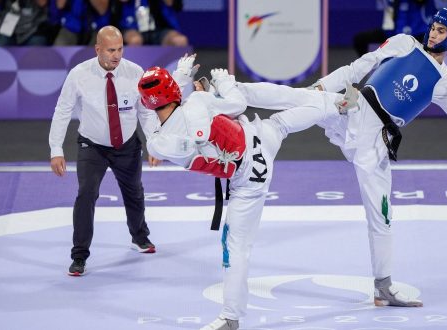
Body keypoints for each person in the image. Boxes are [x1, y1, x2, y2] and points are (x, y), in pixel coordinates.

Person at [237, 7, 447, 308]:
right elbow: (359, 66)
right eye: (433, 27)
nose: (433, 34)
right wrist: (322, 86)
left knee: (382, 218)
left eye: (441, 31)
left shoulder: (446, 82)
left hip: (377, 143)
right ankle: (232, 93)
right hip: (353, 108)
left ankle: (383, 286)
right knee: (301, 97)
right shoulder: (404, 43)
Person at [137, 55, 341, 330]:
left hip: (249, 177)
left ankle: (231, 317)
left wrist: (182, 81)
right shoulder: (197, 103)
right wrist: (224, 82)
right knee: (281, 122)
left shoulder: (158, 144)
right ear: (173, 90)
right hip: (256, 139)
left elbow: (171, 126)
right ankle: (340, 104)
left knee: (235, 248)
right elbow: (237, 104)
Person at [49, 25, 160, 277]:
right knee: (86, 195)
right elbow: (63, 110)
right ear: (98, 49)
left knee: (134, 193)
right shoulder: (79, 75)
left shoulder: (135, 73)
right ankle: (79, 256)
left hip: (127, 146)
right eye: (111, 50)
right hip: (93, 146)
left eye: (120, 49)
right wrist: (56, 149)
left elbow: (145, 111)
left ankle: (140, 237)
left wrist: (155, 142)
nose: (116, 55)